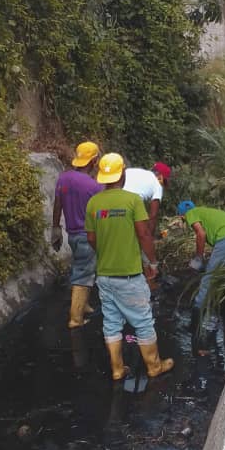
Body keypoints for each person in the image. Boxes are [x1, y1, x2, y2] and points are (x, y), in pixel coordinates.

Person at [85, 153, 173, 380]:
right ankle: (154, 366)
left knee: (112, 322)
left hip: (104, 275)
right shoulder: (132, 201)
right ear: (122, 173)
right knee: (143, 320)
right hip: (130, 276)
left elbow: (92, 239)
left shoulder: (94, 202)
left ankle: (117, 369)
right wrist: (151, 262)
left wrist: (106, 254)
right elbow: (144, 234)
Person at [51, 141, 101, 329]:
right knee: (83, 274)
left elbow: (57, 203)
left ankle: (85, 305)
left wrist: (55, 227)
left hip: (72, 235)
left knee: (84, 269)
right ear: (94, 161)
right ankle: (75, 318)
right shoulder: (94, 186)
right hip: (87, 236)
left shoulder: (63, 178)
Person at [176, 201, 225, 312]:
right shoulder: (208, 211)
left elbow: (201, 234)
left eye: (183, 219)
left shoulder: (191, 213)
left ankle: (197, 311)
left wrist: (198, 258)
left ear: (182, 215)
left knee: (209, 277)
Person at [123, 161, 171, 237]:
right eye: (164, 181)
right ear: (160, 177)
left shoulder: (132, 171)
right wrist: (150, 239)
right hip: (128, 207)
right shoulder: (157, 185)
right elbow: (153, 215)